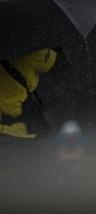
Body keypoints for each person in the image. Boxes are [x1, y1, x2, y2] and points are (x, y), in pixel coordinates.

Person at [0, 47, 67, 187]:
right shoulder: (26, 48)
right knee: (30, 184)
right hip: (24, 137)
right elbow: (61, 64)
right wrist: (58, 49)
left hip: (3, 140)